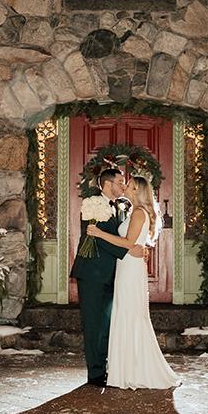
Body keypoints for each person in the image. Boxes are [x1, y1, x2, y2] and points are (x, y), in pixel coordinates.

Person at [87, 174, 179, 390]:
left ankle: (132, 371)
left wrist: (99, 233)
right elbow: (133, 243)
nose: (125, 187)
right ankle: (126, 369)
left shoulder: (138, 212)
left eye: (129, 185)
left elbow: (128, 242)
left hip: (130, 269)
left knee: (130, 314)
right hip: (127, 265)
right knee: (126, 312)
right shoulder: (133, 212)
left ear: (137, 191)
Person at [69, 167, 147, 387]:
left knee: (106, 324)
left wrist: (134, 246)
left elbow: (123, 234)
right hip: (92, 274)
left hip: (113, 274)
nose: (123, 186)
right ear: (107, 184)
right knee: (94, 324)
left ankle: (106, 368)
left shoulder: (121, 207)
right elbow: (97, 238)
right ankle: (95, 374)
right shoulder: (92, 203)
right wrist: (129, 249)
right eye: (120, 182)